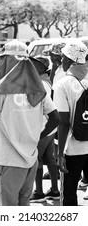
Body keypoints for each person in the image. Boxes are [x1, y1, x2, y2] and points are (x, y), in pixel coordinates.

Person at [0, 39, 60, 206]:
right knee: (23, 206)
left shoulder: (1, 87)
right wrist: (38, 137)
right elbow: (55, 118)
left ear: (9, 61)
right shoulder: (38, 86)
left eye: (2, 59)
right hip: (30, 159)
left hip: (9, 161)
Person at [53, 41, 88, 206]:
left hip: (73, 149)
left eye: (63, 57)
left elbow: (64, 122)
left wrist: (60, 154)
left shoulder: (63, 85)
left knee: (69, 195)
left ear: (70, 60)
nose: (61, 61)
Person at [29, 55, 60, 202]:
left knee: (37, 159)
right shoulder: (45, 80)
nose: (31, 65)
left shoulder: (41, 82)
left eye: (34, 63)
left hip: (43, 127)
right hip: (49, 127)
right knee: (50, 159)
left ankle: (39, 192)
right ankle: (54, 190)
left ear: (41, 67)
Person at [42, 43, 66, 180]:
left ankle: (60, 168)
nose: (50, 57)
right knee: (56, 143)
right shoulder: (57, 69)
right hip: (56, 110)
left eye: (51, 54)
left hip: (62, 112)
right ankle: (56, 168)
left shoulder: (64, 72)